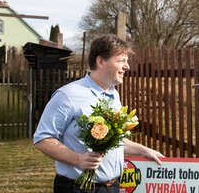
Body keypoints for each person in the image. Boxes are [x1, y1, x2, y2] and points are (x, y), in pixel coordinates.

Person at [34, 34, 164, 192]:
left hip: (112, 187)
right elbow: (43, 139)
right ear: (101, 61)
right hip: (78, 188)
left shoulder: (113, 94)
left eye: (126, 61)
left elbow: (113, 142)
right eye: (121, 61)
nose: (127, 66)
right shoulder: (68, 95)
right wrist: (78, 159)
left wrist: (145, 151)